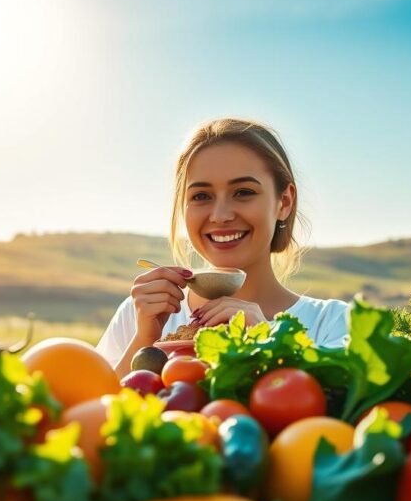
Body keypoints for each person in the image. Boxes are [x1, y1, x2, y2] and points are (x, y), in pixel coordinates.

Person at [97, 118, 349, 375]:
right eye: (201, 196)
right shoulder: (141, 314)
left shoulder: (333, 324)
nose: (220, 215)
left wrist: (269, 344)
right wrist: (145, 341)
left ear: (284, 202)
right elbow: (91, 411)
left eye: (243, 192)